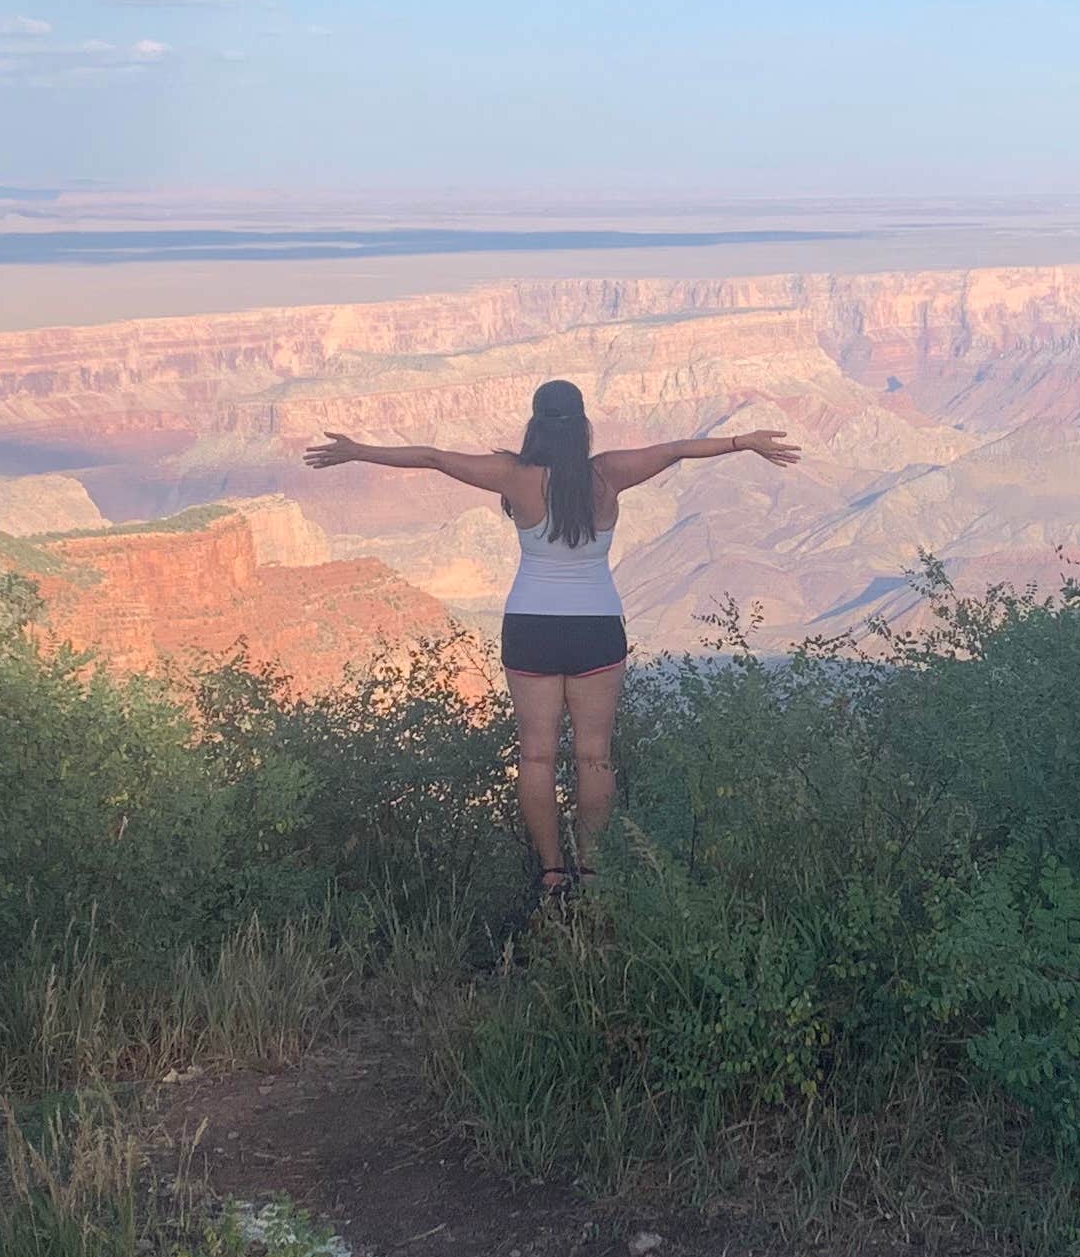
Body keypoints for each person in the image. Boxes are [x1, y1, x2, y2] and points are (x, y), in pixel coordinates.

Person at [304, 381, 799, 897]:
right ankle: (591, 870)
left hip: (531, 627)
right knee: (595, 756)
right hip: (596, 628)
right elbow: (677, 449)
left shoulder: (512, 475)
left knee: (536, 757)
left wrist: (358, 451)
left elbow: (431, 457)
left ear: (535, 425)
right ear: (582, 425)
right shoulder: (608, 474)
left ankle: (551, 872)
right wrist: (744, 441)